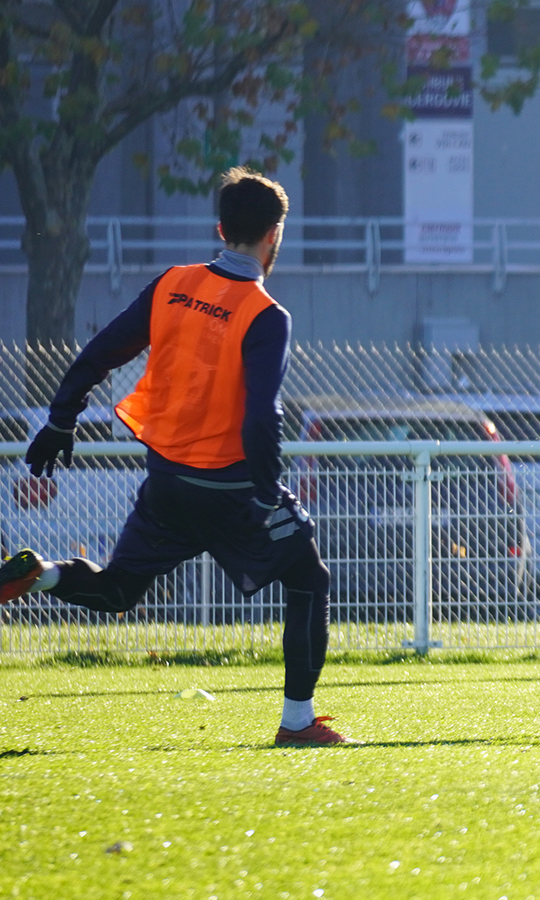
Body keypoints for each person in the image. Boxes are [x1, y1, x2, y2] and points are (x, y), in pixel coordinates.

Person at [0, 167, 355, 747]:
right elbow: (263, 416)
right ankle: (297, 723)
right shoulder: (266, 315)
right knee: (309, 580)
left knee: (118, 590)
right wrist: (269, 495)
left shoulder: (172, 283)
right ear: (274, 236)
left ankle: (43, 575)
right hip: (231, 490)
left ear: (221, 229)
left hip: (166, 483)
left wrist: (61, 420)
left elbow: (99, 353)